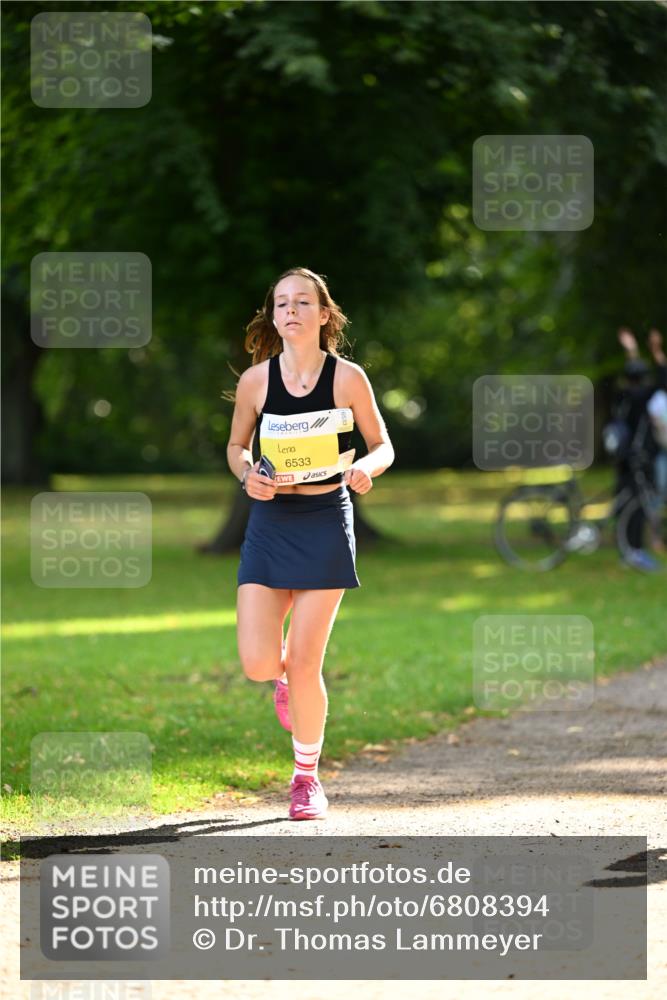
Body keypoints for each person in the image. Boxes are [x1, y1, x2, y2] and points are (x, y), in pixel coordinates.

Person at [226, 267, 395, 819]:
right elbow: (235, 446)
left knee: (305, 662)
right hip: (272, 522)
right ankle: (282, 684)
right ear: (272, 316)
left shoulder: (347, 377)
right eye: (281, 303)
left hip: (325, 517)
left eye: (303, 302)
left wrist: (367, 468)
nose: (291, 311)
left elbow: (382, 444)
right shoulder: (257, 382)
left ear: (324, 315)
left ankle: (305, 779)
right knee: (258, 662)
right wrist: (247, 472)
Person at [615, 327, 667, 570]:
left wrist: (632, 352)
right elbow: (663, 378)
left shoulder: (623, 395)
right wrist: (656, 351)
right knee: (638, 507)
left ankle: (627, 551)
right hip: (638, 458)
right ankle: (634, 552)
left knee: (624, 504)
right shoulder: (644, 395)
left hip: (622, 457)